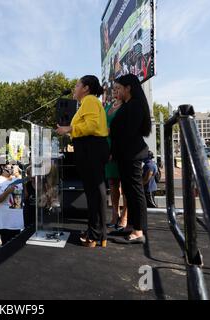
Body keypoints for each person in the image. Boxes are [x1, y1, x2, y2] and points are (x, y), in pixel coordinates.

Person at [56, 75, 109, 248]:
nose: (74, 88)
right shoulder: (89, 102)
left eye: (77, 85)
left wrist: (69, 128)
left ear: (86, 88)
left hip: (90, 147)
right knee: (95, 190)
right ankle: (98, 233)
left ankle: (95, 235)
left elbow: (92, 126)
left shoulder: (90, 101)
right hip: (90, 147)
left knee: (94, 191)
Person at [110, 74, 152, 244]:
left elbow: (128, 132)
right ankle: (132, 227)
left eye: (119, 88)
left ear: (128, 88)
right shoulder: (129, 105)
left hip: (132, 155)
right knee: (129, 191)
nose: (117, 92)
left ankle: (139, 231)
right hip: (125, 155)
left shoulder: (134, 105)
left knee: (135, 192)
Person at [105, 90, 128, 230]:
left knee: (126, 186)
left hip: (121, 149)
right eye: (113, 88)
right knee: (113, 183)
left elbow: (127, 129)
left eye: (118, 88)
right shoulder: (107, 107)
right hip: (107, 149)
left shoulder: (127, 107)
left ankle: (125, 216)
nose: (114, 91)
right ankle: (115, 214)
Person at [0, 164, 24, 245]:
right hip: (5, 222)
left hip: (16, 222)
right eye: (9, 166)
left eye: (13, 166)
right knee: (6, 248)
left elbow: (23, 196)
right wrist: (7, 192)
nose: (11, 168)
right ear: (3, 167)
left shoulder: (17, 180)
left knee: (16, 248)